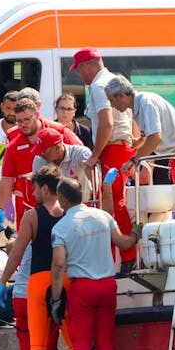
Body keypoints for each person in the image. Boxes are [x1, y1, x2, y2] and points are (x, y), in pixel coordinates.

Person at [50, 177, 139, 350]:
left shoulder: (60, 227)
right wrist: (137, 233)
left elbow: (59, 265)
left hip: (83, 288)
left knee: (82, 344)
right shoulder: (103, 216)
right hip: (108, 285)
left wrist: (56, 299)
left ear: (61, 199)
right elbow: (124, 243)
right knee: (105, 342)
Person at [0, 166, 69, 350]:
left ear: (45, 188)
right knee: (51, 349)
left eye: (35, 187)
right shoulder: (69, 215)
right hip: (58, 291)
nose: (33, 192)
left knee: (30, 348)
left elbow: (16, 253)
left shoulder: (32, 216)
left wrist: (1, 282)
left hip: (29, 292)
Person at [70, 48, 137, 267]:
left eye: (79, 71)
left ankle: (127, 258)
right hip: (123, 147)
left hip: (113, 150)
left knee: (112, 202)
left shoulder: (99, 87)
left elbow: (106, 123)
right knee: (114, 202)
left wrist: (94, 157)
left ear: (85, 66)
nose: (80, 77)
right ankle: (121, 258)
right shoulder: (118, 80)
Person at [0, 98, 81, 232]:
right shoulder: (13, 147)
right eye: (19, 121)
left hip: (63, 205)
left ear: (37, 115)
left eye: (27, 119)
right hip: (30, 207)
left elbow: (81, 156)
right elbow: (7, 179)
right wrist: (0, 209)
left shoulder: (58, 132)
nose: (23, 125)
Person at [106, 75, 175, 185]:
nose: (111, 105)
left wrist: (133, 161)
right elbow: (152, 137)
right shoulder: (140, 104)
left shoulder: (146, 102)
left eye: (111, 100)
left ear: (121, 95)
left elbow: (155, 137)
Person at [30, 127, 94, 202]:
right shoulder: (39, 160)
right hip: (56, 209)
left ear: (57, 147)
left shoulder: (80, 154)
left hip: (84, 204)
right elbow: (39, 190)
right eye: (38, 150)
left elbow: (95, 179)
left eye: (43, 151)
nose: (40, 154)